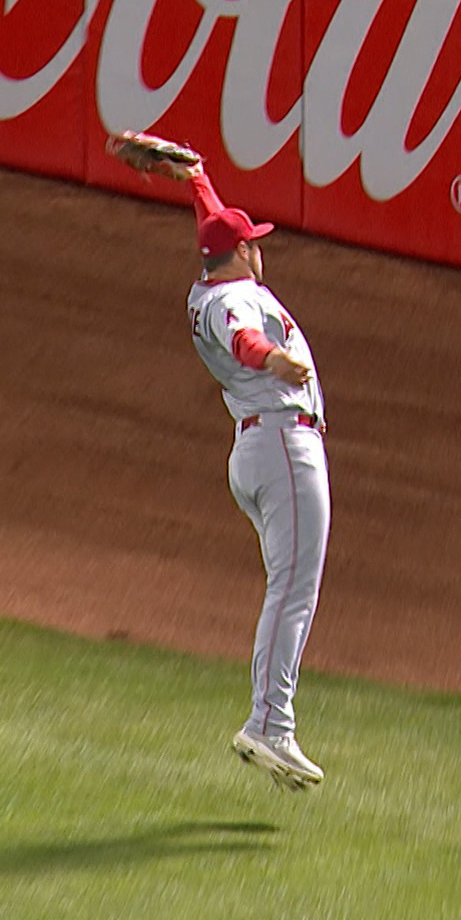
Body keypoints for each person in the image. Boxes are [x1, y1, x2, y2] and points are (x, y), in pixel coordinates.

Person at [182, 165, 329, 791]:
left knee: (289, 584)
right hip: (281, 445)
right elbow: (244, 339)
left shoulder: (208, 286)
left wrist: (197, 181)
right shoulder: (232, 301)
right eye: (254, 241)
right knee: (292, 589)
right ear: (242, 252)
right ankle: (270, 724)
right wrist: (276, 359)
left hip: (260, 445)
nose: (259, 248)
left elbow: (215, 230)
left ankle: (273, 721)